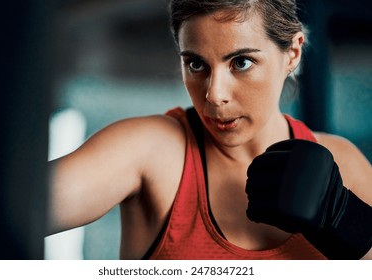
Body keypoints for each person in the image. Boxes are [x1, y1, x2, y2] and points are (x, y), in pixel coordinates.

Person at [47, 0, 372, 260]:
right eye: (196, 64)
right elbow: (12, 210)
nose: (214, 95)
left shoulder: (344, 163)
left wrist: (347, 222)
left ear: (293, 53)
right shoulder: (150, 151)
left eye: (241, 62)